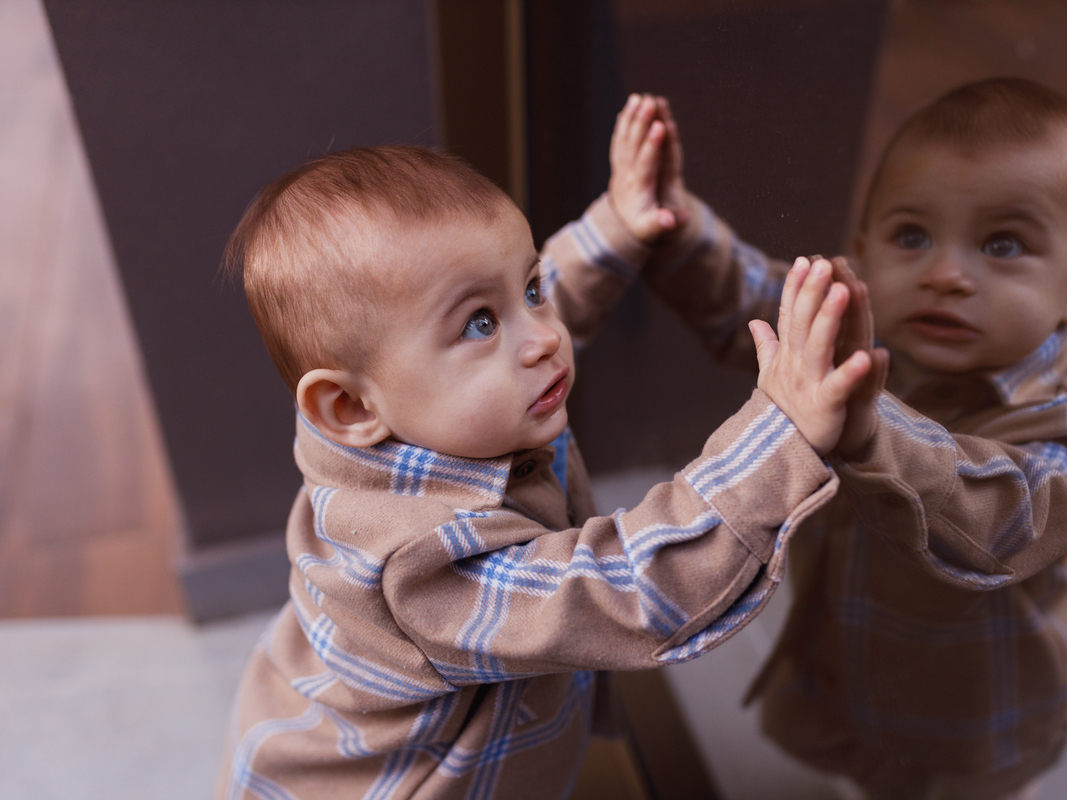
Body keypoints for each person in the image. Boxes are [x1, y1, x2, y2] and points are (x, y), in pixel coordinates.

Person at [214, 144, 878, 799]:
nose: (544, 336)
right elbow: (628, 589)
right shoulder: (422, 567)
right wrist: (779, 434)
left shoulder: (406, 406)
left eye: (532, 290)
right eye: (479, 323)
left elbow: (526, 293)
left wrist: (615, 228)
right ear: (350, 407)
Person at [581, 80, 1067, 799]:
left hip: (981, 710)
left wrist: (874, 427)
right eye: (912, 236)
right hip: (855, 658)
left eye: (1003, 244)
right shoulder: (869, 331)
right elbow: (759, 297)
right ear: (865, 250)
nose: (945, 274)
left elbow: (1006, 517)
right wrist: (676, 224)